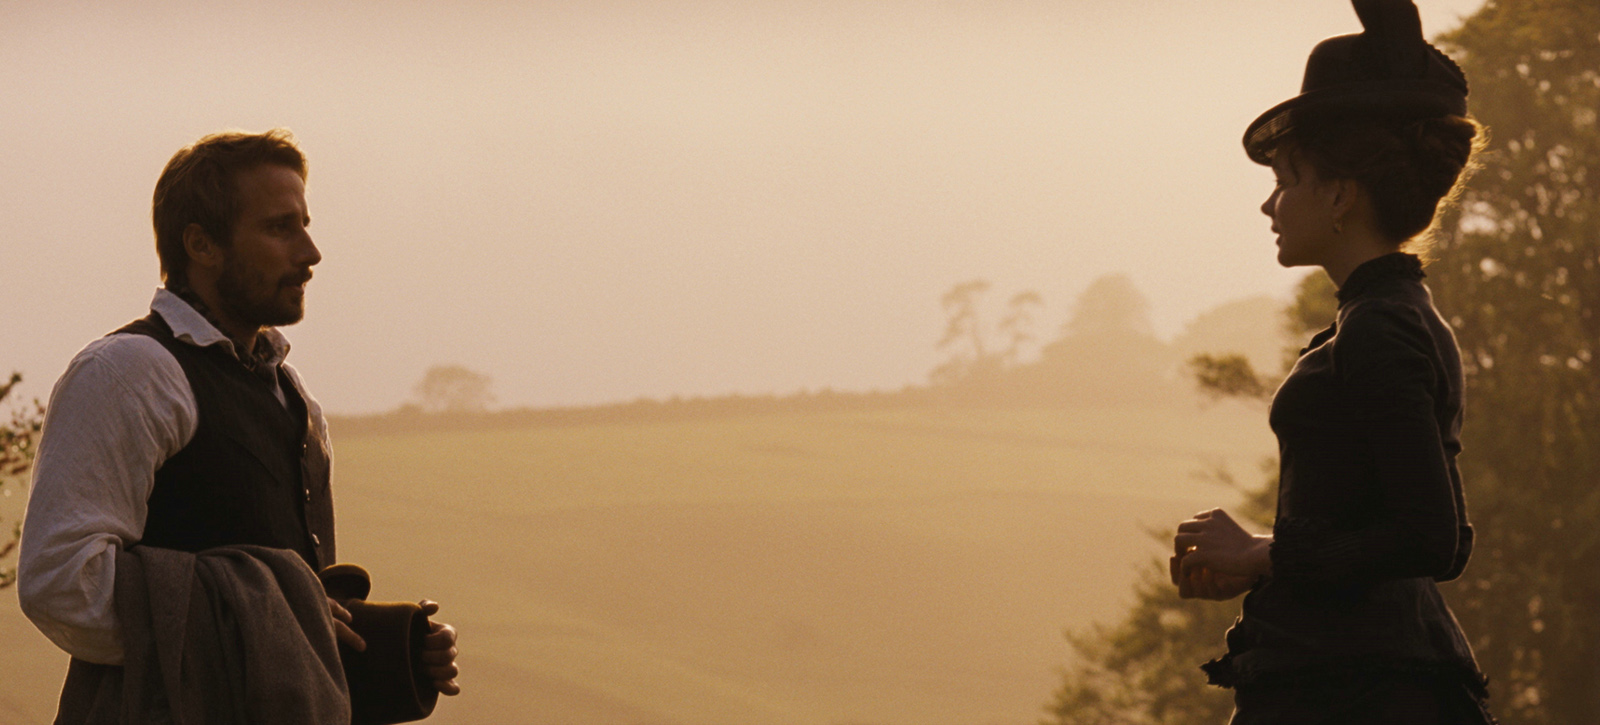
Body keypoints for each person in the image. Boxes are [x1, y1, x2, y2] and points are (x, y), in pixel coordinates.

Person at [18, 129, 460, 720]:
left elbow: (295, 610)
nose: (310, 253)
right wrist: (268, 621)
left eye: (305, 225)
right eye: (280, 228)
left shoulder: (295, 399)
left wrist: (389, 647)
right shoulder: (128, 373)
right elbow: (61, 583)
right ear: (201, 244)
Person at [1169, 1, 1496, 723]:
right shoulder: (1389, 317)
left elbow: (1431, 537)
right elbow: (1430, 533)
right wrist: (1260, 560)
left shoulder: (1381, 327)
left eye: (1288, 179)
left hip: (1355, 691)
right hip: (1358, 678)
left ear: (1341, 194)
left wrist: (1258, 555)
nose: (1270, 205)